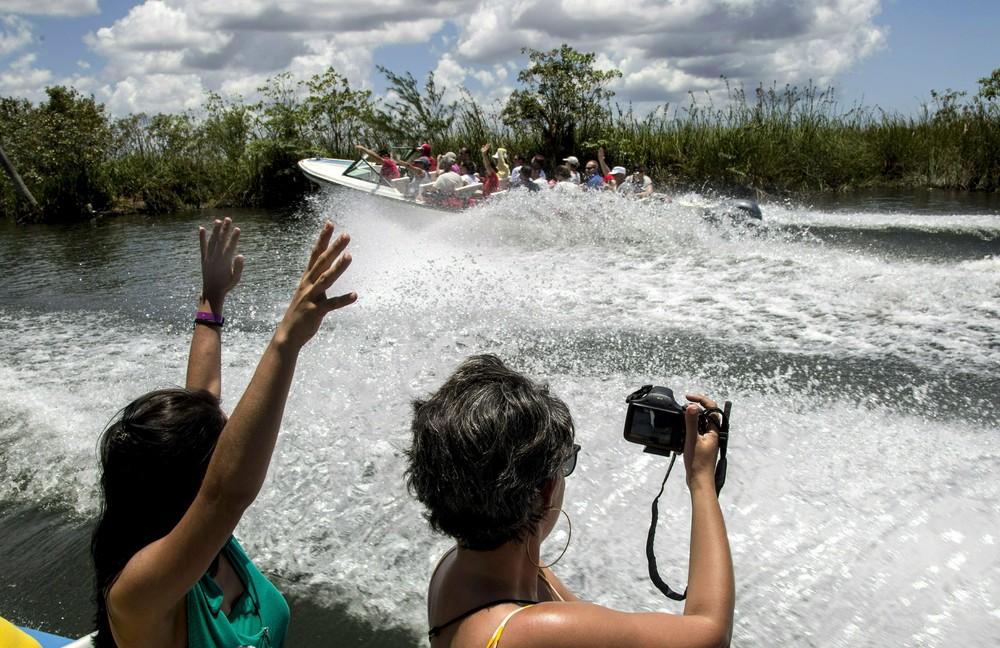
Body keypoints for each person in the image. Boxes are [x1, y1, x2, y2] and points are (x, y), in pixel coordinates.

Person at [91, 217, 357, 648]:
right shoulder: (139, 594)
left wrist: (210, 300)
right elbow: (227, 491)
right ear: (192, 484)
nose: (229, 446)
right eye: (217, 451)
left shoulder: (205, 540)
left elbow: (203, 398)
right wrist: (285, 342)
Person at [406, 354, 734, 648]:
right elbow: (710, 633)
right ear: (545, 490)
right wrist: (701, 482)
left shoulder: (459, 569)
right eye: (565, 462)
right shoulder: (531, 631)